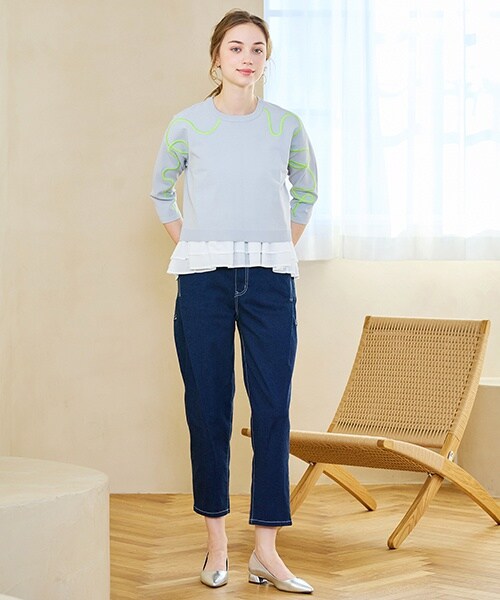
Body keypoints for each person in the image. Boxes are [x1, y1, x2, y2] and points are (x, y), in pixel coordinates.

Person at [150, 9, 317, 594]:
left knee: (272, 410)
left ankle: (266, 551)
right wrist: (195, 243)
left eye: (258, 49)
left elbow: (306, 191)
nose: (248, 58)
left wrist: (277, 244)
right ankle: (216, 544)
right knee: (208, 409)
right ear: (217, 57)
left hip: (270, 280)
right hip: (204, 281)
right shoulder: (187, 124)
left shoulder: (285, 125)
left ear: (267, 60)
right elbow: (160, 191)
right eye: (236, 47)